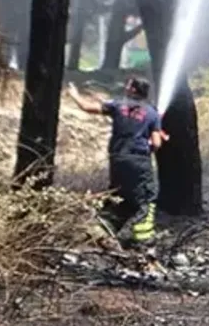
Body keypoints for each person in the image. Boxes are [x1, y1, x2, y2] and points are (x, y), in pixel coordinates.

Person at [68, 77, 167, 248]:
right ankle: (130, 239)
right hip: (139, 160)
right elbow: (157, 143)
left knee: (119, 195)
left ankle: (103, 230)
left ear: (134, 90)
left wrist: (74, 95)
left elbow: (87, 107)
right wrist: (149, 147)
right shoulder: (152, 112)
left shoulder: (117, 105)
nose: (125, 87)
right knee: (145, 200)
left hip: (117, 159)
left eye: (128, 85)